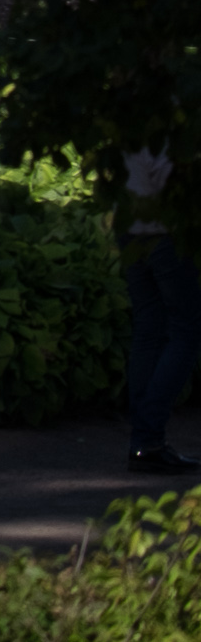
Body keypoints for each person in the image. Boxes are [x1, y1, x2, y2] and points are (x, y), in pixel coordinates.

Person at [124, 146, 201, 474]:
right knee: (186, 331)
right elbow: (167, 173)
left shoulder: (124, 118)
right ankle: (148, 437)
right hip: (165, 231)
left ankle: (144, 440)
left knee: (149, 331)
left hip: (130, 227)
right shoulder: (167, 121)